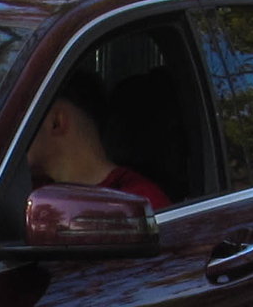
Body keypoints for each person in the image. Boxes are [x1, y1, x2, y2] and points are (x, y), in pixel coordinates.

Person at [26, 68, 170, 210]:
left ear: (56, 122)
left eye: (27, 114)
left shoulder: (139, 203)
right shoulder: (27, 192)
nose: (18, 124)